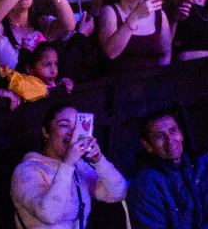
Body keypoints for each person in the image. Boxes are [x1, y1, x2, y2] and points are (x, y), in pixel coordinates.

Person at [11, 97, 128, 229]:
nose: (72, 134)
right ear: (46, 132)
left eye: (76, 127)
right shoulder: (27, 170)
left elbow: (118, 193)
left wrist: (99, 160)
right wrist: (67, 164)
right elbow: (48, 214)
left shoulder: (79, 166)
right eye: (64, 125)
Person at [128, 111, 208, 229]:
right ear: (147, 145)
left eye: (173, 131)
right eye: (160, 136)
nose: (170, 140)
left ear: (181, 134)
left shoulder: (203, 168)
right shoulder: (146, 184)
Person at [96, 0, 172, 72]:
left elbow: (165, 53)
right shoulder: (110, 11)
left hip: (150, 85)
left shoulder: (159, 15)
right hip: (118, 84)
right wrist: (135, 16)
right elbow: (111, 53)